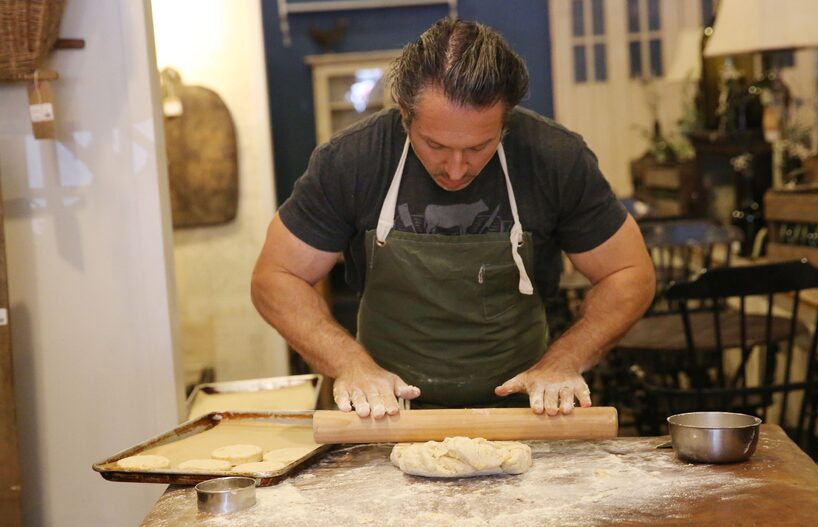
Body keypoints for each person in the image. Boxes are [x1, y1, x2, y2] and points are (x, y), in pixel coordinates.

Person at [251, 18, 655, 419]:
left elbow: (629, 273)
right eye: (436, 145)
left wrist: (564, 362)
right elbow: (277, 278)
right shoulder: (352, 161)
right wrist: (351, 365)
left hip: (526, 414)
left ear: (506, 119)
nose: (457, 169)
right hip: (387, 413)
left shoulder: (554, 157)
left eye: (480, 146)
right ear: (405, 113)